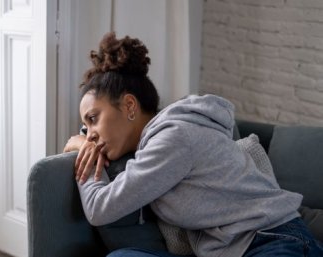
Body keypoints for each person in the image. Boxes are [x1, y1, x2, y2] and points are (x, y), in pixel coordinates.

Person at [63, 32, 323, 257]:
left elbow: (99, 207)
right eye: (86, 129)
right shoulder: (158, 142)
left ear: (129, 105)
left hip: (273, 241)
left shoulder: (173, 137)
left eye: (93, 119)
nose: (91, 135)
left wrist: (83, 151)